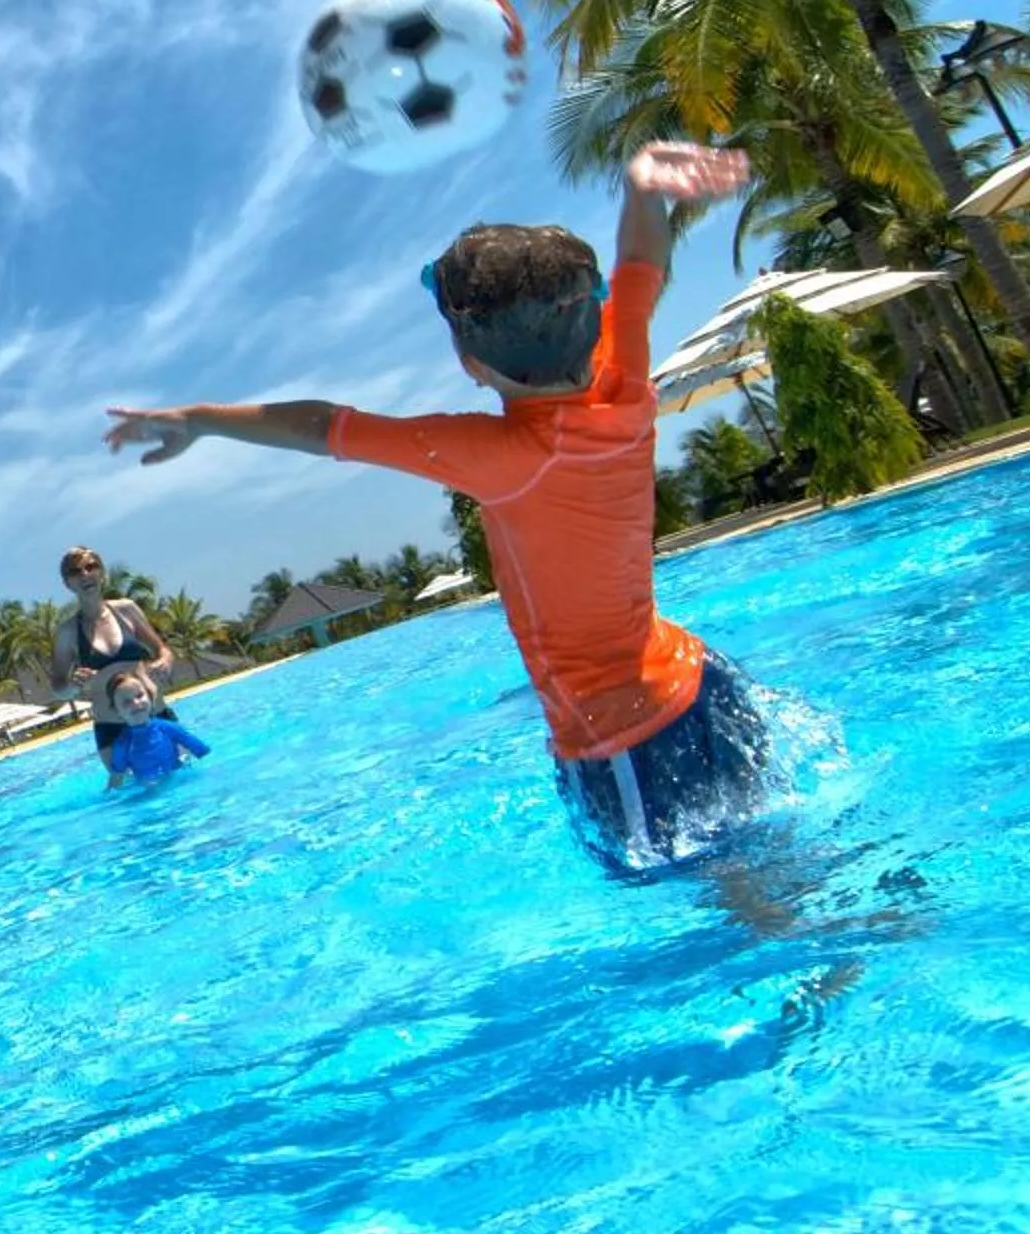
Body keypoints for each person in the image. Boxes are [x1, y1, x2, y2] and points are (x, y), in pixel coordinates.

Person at [104, 141, 772, 876]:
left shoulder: (503, 456)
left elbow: (320, 425)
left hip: (628, 732)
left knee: (728, 898)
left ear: (471, 364)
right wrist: (646, 192)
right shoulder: (625, 372)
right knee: (776, 856)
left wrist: (197, 416)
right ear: (594, 313)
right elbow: (645, 265)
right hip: (698, 674)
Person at [48, 544, 178, 780]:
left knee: (182, 781)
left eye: (91, 567)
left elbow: (162, 648)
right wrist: (73, 686)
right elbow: (58, 688)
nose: (85, 575)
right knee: (134, 800)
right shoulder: (67, 632)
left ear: (102, 573)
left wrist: (165, 659)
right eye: (75, 572)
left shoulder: (127, 610)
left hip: (156, 715)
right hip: (112, 730)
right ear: (67, 583)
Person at [101, 672, 210, 785]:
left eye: (139, 695)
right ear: (117, 712)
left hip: (181, 781)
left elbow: (203, 752)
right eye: (127, 702)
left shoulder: (168, 728)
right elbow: (116, 779)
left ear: (150, 697)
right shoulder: (123, 744)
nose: (136, 703)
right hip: (150, 793)